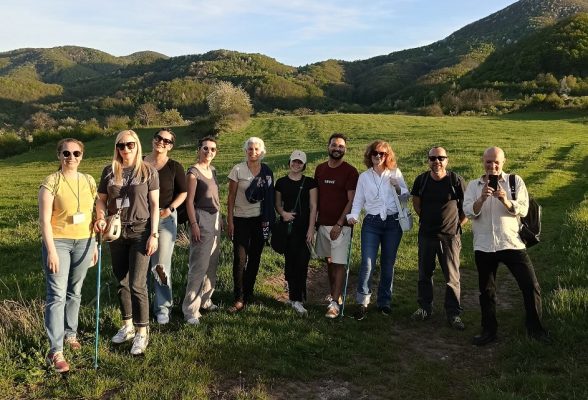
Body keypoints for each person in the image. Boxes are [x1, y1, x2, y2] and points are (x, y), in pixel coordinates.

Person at [463, 146, 549, 345]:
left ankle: (536, 330)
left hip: (511, 243)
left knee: (530, 286)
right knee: (487, 292)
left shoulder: (514, 181)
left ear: (503, 162)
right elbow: (468, 212)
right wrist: (481, 198)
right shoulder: (474, 185)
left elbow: (524, 209)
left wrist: (505, 200)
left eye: (496, 162)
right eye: (488, 162)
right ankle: (489, 331)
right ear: (483, 162)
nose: (492, 166)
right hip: (484, 245)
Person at [94, 130, 159, 355]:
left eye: (130, 144)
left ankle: (142, 331)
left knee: (137, 284)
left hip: (140, 230)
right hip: (116, 232)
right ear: (117, 148)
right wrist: (100, 217)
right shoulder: (109, 171)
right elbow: (101, 200)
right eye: (121, 145)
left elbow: (154, 205)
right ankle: (128, 325)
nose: (125, 149)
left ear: (137, 145)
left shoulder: (148, 171)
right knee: (121, 281)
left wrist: (154, 234)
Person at [39, 138, 98, 373]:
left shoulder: (89, 180)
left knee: (75, 292)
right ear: (59, 156)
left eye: (76, 153)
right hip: (59, 242)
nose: (71, 157)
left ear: (82, 156)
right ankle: (56, 350)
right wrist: (51, 251)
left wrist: (94, 244)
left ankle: (70, 334)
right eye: (66, 153)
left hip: (85, 241)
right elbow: (44, 221)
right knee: (57, 294)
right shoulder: (51, 182)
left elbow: (93, 213)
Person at [347, 140, 408, 320]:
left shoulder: (395, 173)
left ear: (387, 156)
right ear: (370, 155)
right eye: (375, 153)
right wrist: (354, 215)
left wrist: (397, 186)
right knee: (367, 263)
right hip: (372, 223)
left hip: (393, 223)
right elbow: (358, 199)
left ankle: (384, 302)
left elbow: (405, 197)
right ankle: (363, 302)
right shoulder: (364, 177)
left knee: (388, 263)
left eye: (382, 154)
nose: (378, 156)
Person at [410, 146, 467, 330]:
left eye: (440, 158)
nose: (437, 161)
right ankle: (424, 308)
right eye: (433, 158)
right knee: (424, 274)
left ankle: (453, 314)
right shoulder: (421, 180)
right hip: (426, 235)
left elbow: (466, 208)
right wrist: (427, 220)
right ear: (428, 161)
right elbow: (417, 204)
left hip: (450, 237)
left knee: (452, 277)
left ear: (447, 160)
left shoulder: (455, 180)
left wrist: (456, 226)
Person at [144, 128, 187, 325]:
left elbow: (183, 192)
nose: (161, 142)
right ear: (153, 140)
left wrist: (170, 208)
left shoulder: (174, 167)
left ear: (171, 146)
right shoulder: (140, 163)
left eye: (167, 141)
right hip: (141, 218)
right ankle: (140, 305)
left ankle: (162, 307)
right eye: (159, 138)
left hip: (164, 218)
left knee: (160, 264)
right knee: (140, 264)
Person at [227, 137, 274, 312]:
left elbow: (270, 196)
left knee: (255, 258)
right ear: (245, 150)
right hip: (240, 219)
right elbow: (231, 196)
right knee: (240, 259)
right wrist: (230, 220)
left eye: (256, 149)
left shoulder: (267, 171)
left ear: (262, 152)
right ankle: (238, 297)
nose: (253, 152)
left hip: (260, 220)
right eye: (250, 149)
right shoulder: (237, 169)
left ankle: (249, 293)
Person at [315, 133, 359, 318]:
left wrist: (339, 224)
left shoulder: (350, 171)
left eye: (341, 146)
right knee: (329, 260)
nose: (337, 149)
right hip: (322, 223)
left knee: (339, 262)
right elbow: (316, 197)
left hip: (341, 226)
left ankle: (334, 303)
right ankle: (335, 294)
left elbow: (351, 200)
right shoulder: (320, 169)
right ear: (328, 146)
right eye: (334, 145)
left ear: (345, 149)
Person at [182, 136, 222, 324]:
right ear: (199, 150)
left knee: (212, 263)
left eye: (212, 149)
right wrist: (194, 224)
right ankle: (190, 310)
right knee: (199, 265)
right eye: (205, 148)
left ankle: (205, 300)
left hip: (215, 218)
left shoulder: (212, 170)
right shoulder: (193, 173)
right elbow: (189, 201)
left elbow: (216, 196)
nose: (209, 152)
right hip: (201, 218)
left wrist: (221, 218)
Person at [275, 150, 318, 316]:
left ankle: (298, 299)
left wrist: (311, 228)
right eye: (294, 161)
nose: (296, 165)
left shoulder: (310, 183)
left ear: (304, 165)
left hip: (304, 228)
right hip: (288, 229)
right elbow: (278, 204)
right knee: (290, 262)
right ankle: (293, 297)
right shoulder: (281, 182)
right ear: (289, 162)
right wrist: (283, 214)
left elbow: (313, 206)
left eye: (300, 162)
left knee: (302, 262)